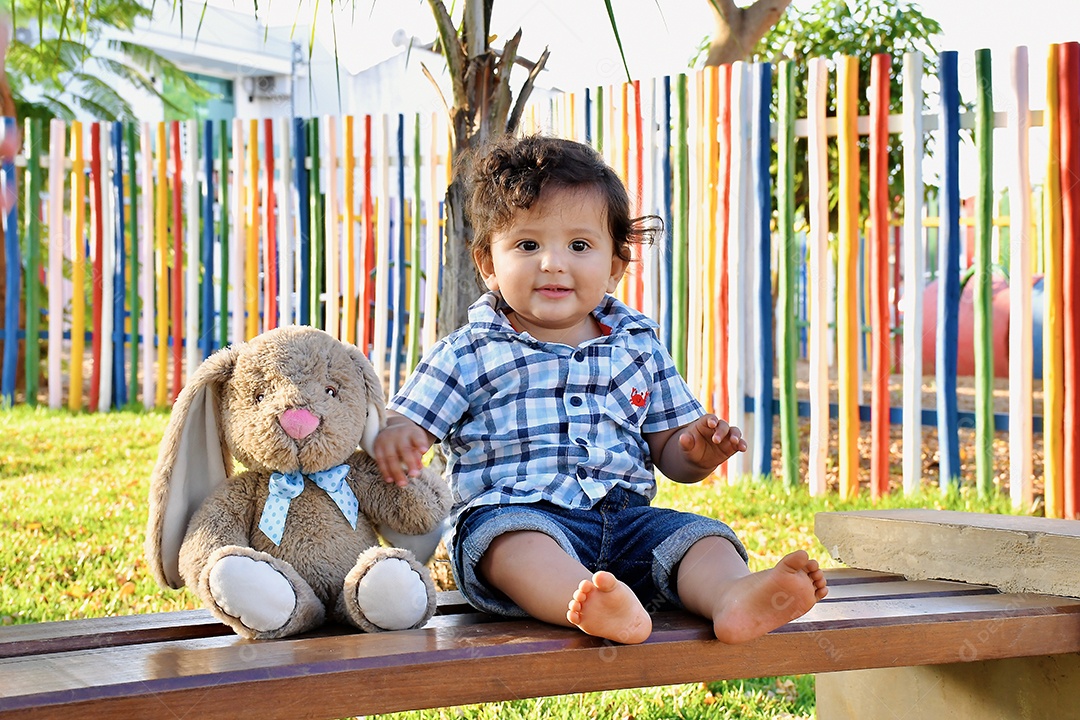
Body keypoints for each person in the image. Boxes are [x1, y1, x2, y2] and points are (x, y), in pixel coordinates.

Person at [373, 134, 827, 645]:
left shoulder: (638, 346)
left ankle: (731, 596)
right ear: (487, 264)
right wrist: (398, 434)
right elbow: (407, 419)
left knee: (698, 538)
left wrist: (696, 451)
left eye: (579, 245)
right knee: (509, 548)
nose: (552, 262)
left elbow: (672, 454)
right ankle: (588, 602)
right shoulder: (470, 350)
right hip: (518, 514)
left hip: (628, 522)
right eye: (527, 245)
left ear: (614, 266)